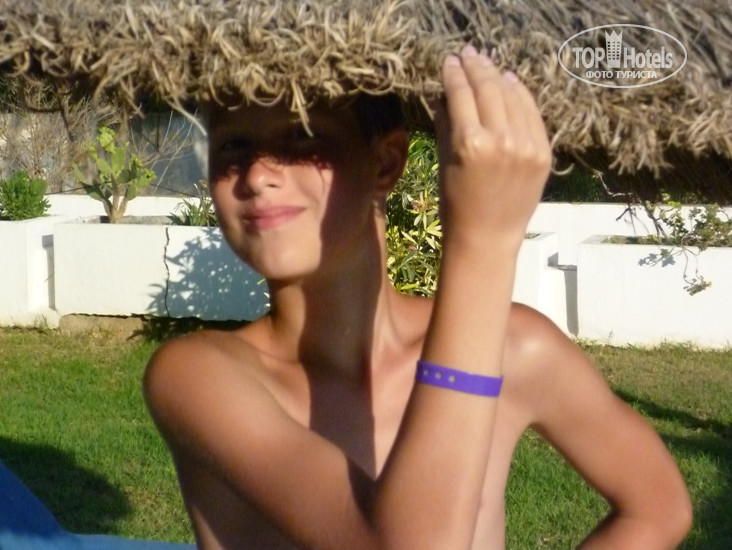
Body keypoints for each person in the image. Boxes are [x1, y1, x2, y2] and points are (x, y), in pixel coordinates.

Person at [143, 45, 692, 549]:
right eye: (234, 146)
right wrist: (482, 244)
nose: (258, 174)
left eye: (303, 137)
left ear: (385, 164)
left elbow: (658, 506)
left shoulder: (518, 348)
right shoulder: (198, 377)